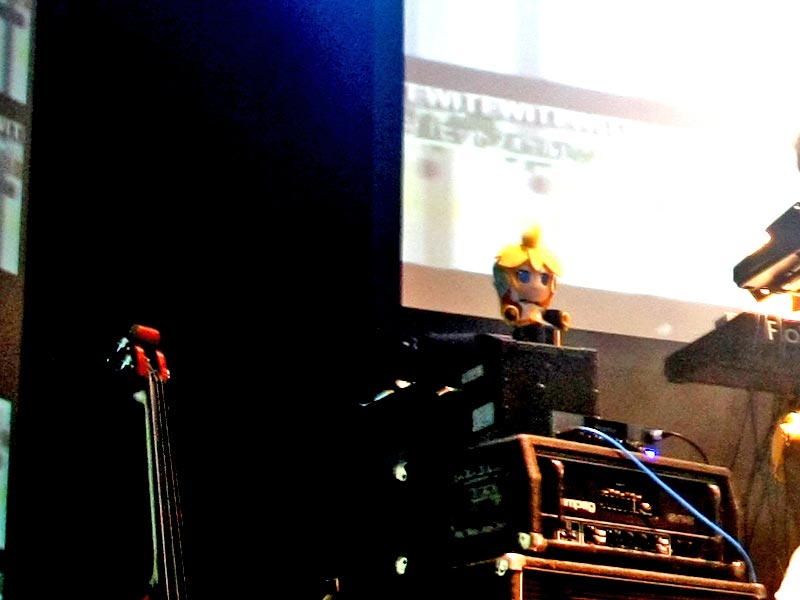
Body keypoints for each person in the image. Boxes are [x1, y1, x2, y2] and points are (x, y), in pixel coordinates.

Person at [492, 224, 570, 344]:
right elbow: (511, 312)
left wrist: (560, 318)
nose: (535, 285)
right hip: (522, 332)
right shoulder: (519, 306)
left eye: (544, 278)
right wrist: (512, 313)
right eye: (523, 276)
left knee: (542, 345)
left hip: (540, 334)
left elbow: (547, 315)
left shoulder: (539, 309)